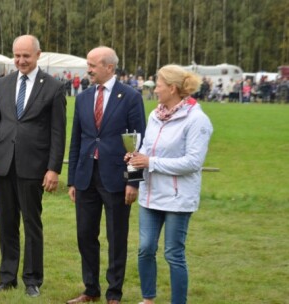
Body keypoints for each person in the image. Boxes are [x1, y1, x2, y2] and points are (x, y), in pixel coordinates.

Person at [0, 34, 66, 298]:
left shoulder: (53, 87)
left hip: (34, 166)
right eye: (17, 56)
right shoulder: (3, 84)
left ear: (38, 55)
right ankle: (7, 278)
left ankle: (32, 279)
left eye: (26, 56)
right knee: (6, 223)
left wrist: (53, 168)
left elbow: (58, 132)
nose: (20, 61)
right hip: (4, 164)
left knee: (31, 224)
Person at [126, 64, 213, 304]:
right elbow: (145, 148)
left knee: (173, 253)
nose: (155, 90)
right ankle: (148, 299)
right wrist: (135, 158)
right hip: (150, 194)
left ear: (172, 88)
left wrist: (150, 162)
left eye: (159, 85)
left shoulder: (197, 120)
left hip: (178, 198)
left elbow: (193, 162)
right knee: (145, 248)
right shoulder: (155, 115)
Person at [66, 46, 146, 304]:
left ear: (109, 67)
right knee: (85, 235)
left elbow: (136, 142)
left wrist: (133, 180)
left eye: (93, 64)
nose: (88, 69)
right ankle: (90, 290)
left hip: (117, 179)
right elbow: (76, 140)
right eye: (88, 64)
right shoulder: (83, 97)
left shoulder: (131, 97)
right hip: (86, 177)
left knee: (116, 237)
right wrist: (72, 180)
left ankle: (114, 294)